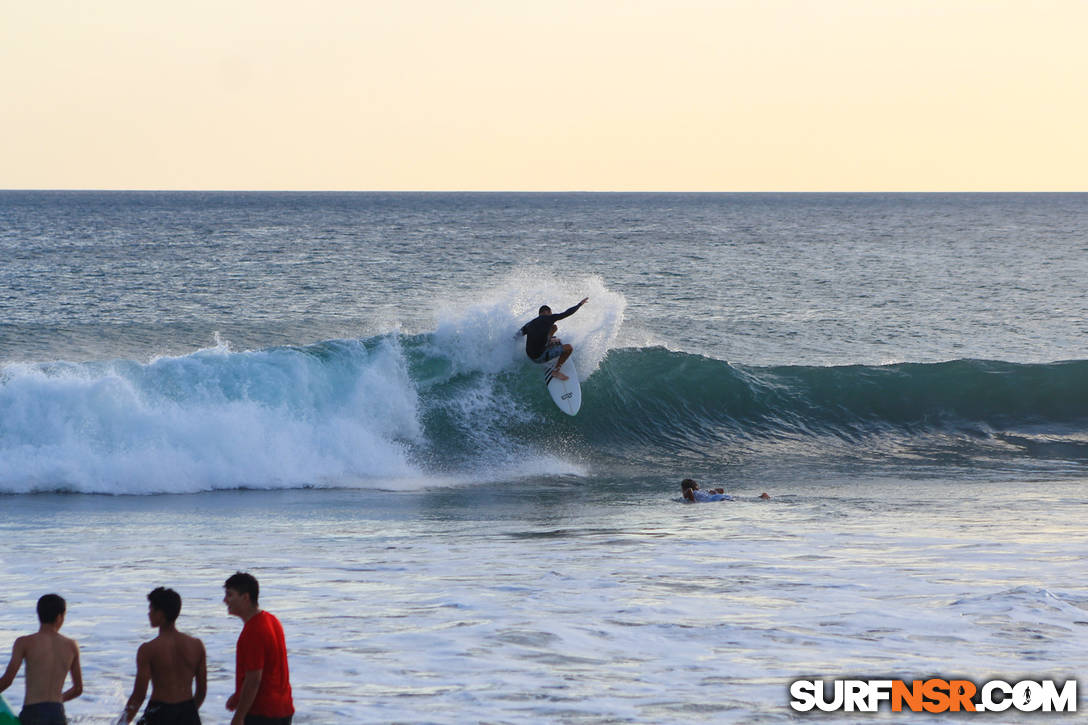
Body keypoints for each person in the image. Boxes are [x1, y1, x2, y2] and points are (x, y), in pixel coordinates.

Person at [123, 587, 207, 725]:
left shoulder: (148, 649)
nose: (148, 613)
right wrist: (188, 712)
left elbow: (139, 696)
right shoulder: (197, 645)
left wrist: (122, 722)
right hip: (188, 712)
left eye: (151, 609)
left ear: (160, 614)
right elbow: (202, 691)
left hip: (159, 712)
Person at [0, 594, 82, 725]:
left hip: (33, 712)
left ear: (39, 614)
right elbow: (78, 689)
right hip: (57, 713)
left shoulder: (24, 642)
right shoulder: (71, 645)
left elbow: (7, 680)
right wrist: (59, 698)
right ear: (59, 617)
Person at [223, 573, 293, 725]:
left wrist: (239, 717)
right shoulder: (271, 619)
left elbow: (254, 679)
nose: (225, 600)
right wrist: (238, 697)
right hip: (283, 708)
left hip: (262, 712)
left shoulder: (253, 631)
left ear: (245, 597)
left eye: (230, 595)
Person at [517, 297, 589, 381]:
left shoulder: (529, 323)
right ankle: (556, 371)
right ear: (547, 312)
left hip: (529, 354)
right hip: (538, 357)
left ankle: (549, 342)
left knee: (554, 327)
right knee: (569, 348)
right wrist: (579, 304)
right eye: (551, 313)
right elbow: (567, 313)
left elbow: (517, 335)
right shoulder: (549, 318)